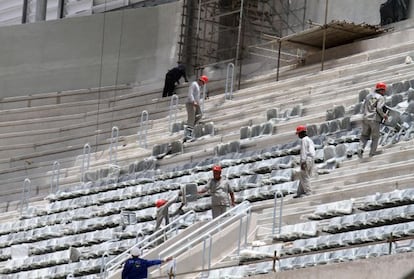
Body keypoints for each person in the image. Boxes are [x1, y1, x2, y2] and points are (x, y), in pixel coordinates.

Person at [358, 82, 388, 158]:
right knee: (375, 137)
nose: (384, 92)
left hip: (365, 118)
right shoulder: (380, 98)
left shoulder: (368, 96)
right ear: (381, 90)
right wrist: (383, 115)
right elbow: (379, 108)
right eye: (384, 90)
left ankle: (360, 148)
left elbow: (363, 107)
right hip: (374, 119)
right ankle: (372, 153)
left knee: (364, 136)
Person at [184, 75, 209, 141]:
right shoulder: (194, 84)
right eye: (203, 82)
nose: (202, 84)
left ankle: (190, 128)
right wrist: (193, 101)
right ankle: (188, 135)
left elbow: (197, 96)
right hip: (190, 103)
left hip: (196, 104)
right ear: (200, 80)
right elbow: (190, 93)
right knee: (191, 118)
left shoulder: (198, 87)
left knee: (199, 115)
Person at [293, 125, 316, 198]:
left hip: (306, 160)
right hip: (311, 159)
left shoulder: (304, 140)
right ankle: (300, 192)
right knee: (303, 176)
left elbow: (304, 152)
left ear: (301, 133)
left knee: (304, 176)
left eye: (299, 134)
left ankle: (308, 192)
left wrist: (303, 162)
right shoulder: (309, 139)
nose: (298, 135)